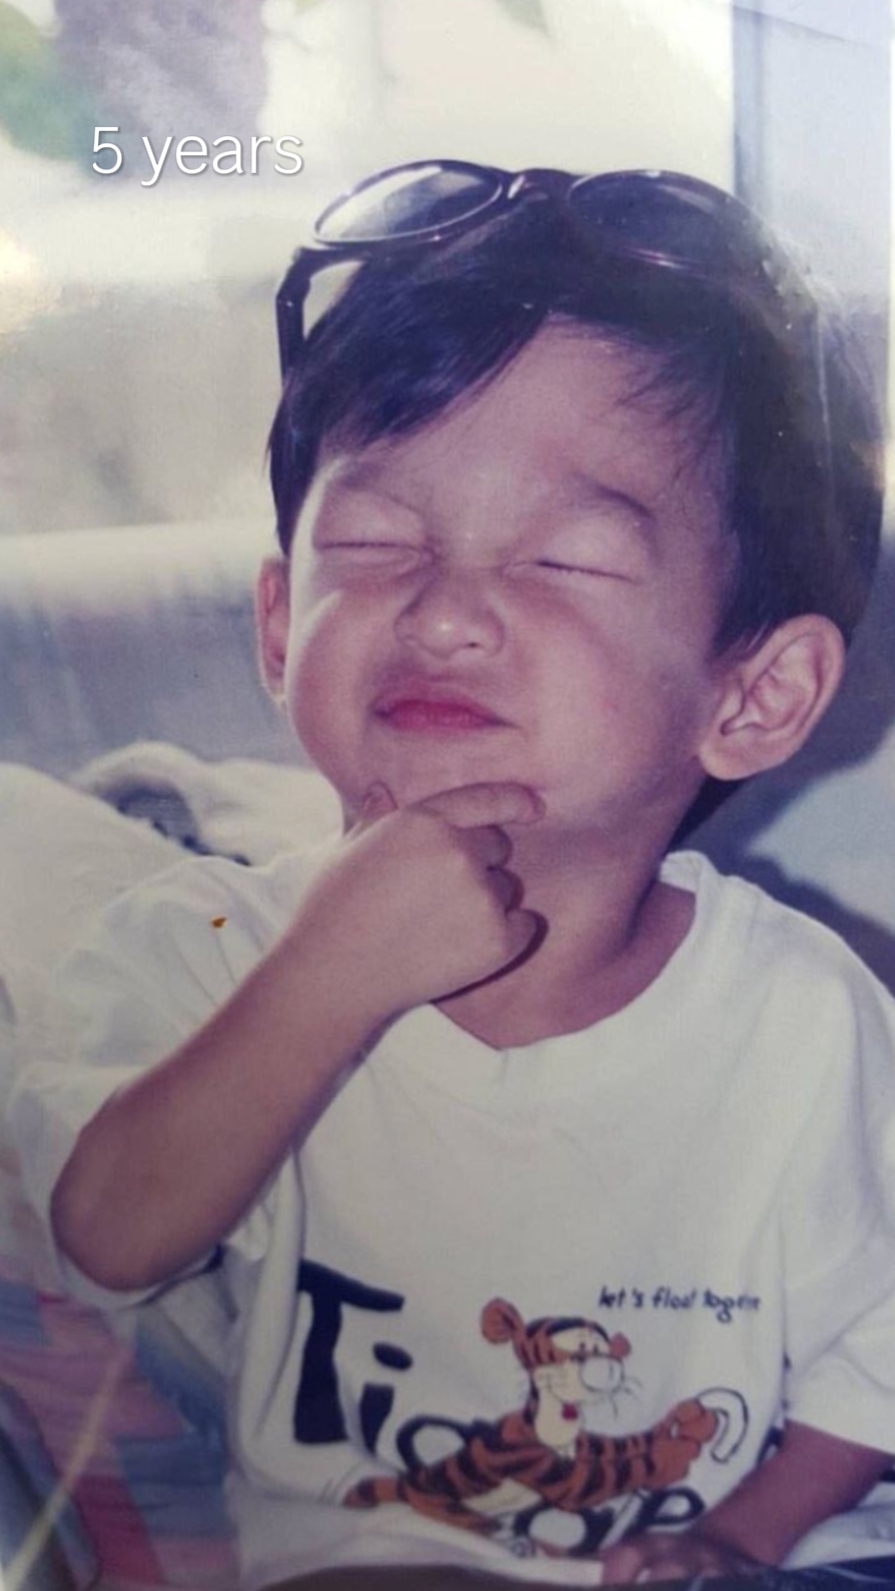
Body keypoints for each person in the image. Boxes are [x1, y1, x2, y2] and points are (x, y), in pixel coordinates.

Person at [10, 163, 895, 1590]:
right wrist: (330, 976)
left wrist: (743, 1533)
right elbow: (109, 1235)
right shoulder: (208, 947)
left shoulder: (801, 1021)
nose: (443, 612)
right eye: (374, 545)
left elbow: (881, 1341)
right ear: (283, 625)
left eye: (563, 560)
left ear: (755, 694)